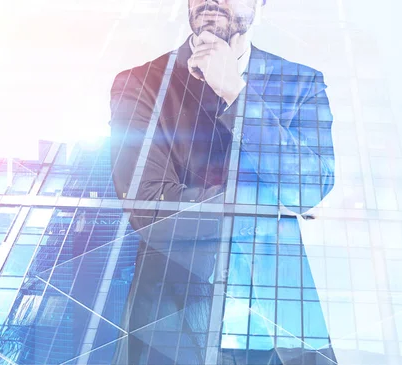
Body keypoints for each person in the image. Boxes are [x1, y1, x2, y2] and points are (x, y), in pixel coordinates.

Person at [109, 0, 336, 363]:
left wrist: (235, 91)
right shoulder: (141, 83)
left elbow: (306, 189)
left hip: (284, 328)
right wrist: (267, 204)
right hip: (171, 326)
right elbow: (150, 208)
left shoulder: (301, 82)